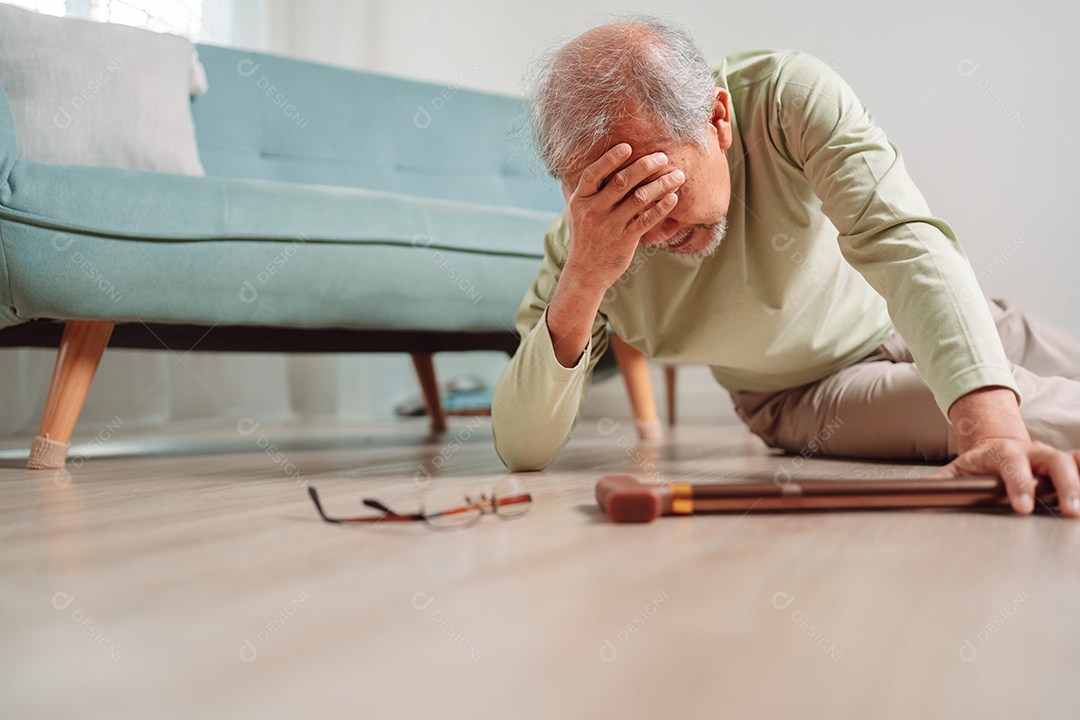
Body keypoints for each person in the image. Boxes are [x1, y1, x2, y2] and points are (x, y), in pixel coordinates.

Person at [490, 15, 1080, 517]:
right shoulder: (587, 240)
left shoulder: (785, 97)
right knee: (1046, 420)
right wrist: (588, 273)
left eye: (662, 188)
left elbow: (900, 238)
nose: (654, 229)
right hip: (808, 394)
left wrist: (990, 417)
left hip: (925, 315)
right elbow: (522, 446)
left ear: (718, 119)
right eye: (622, 205)